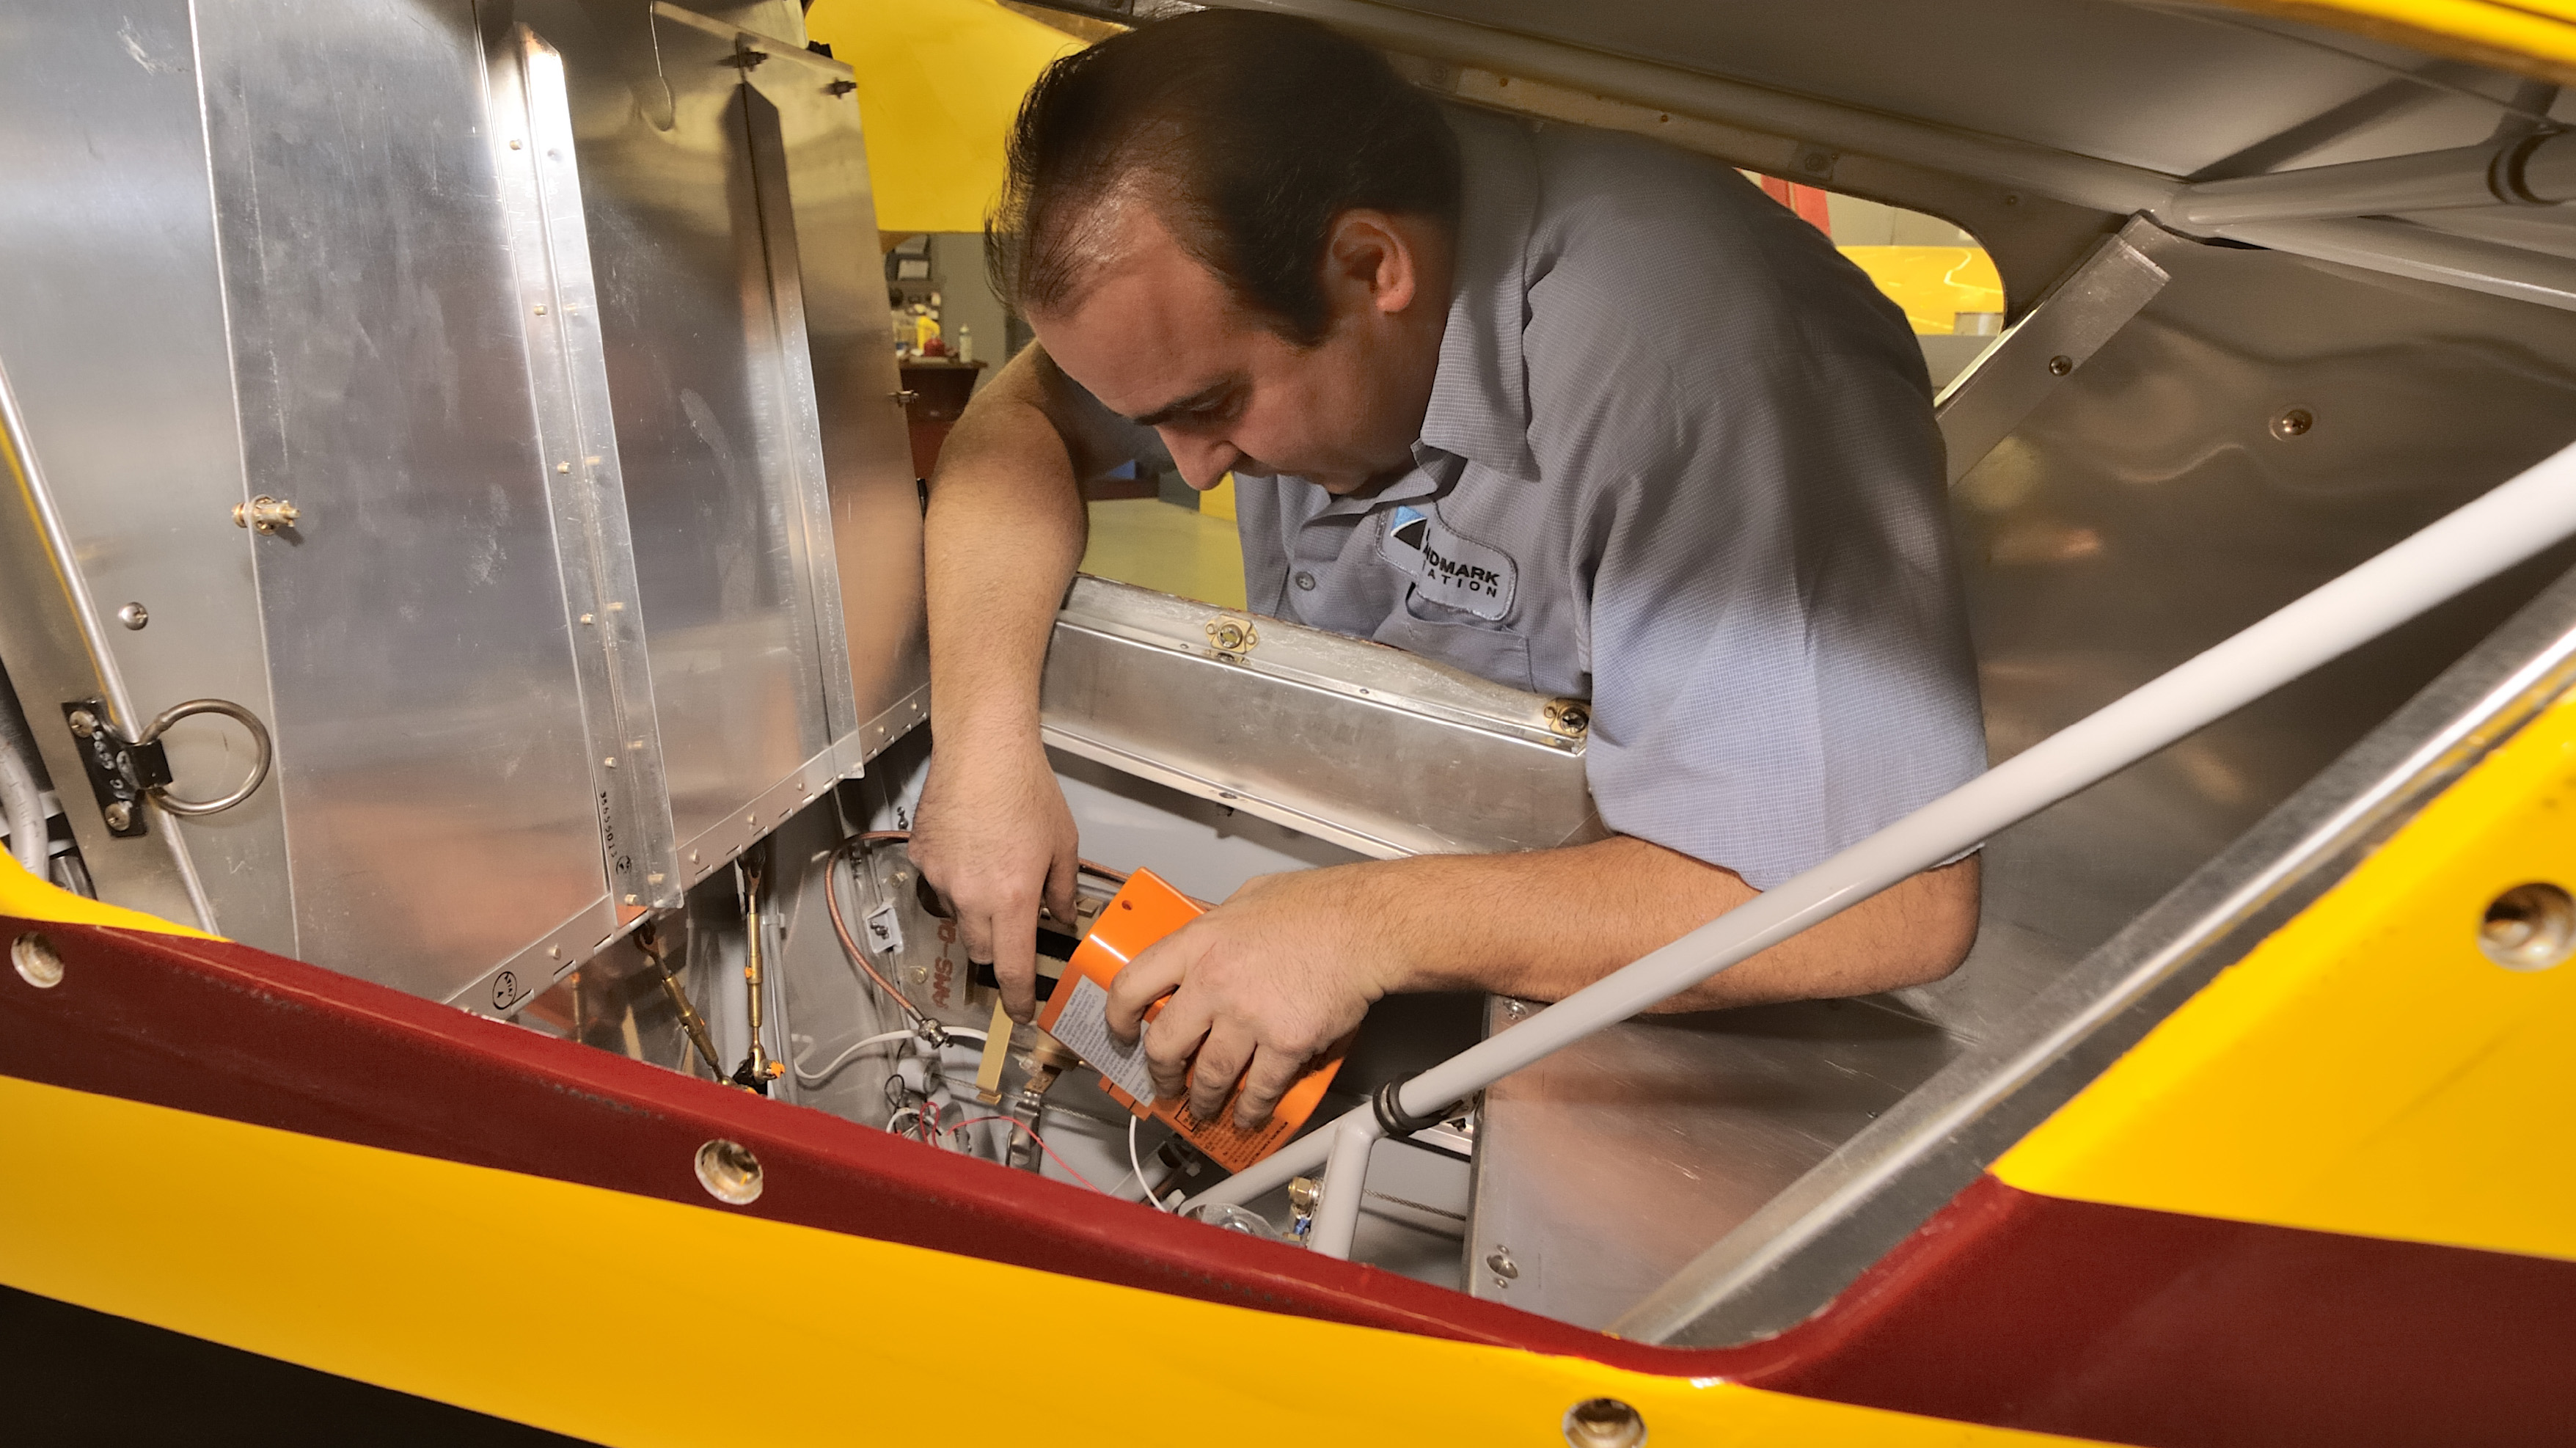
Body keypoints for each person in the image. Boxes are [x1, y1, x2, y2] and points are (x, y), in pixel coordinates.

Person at [907, 10, 1986, 1133]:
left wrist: (1364, 924)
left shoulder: (1696, 367)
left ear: (1372, 267)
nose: (1193, 470)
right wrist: (982, 751)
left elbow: (1883, 899)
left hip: (1661, 1076)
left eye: (1214, 406)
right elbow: (1013, 426)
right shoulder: (1237, 273)